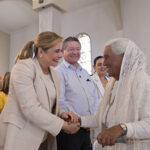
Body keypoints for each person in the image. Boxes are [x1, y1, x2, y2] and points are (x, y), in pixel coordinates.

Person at [0, 31, 80, 150]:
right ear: (41, 51)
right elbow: (30, 108)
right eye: (57, 51)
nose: (61, 55)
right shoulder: (23, 67)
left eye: (61, 51)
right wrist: (63, 125)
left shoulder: (54, 74)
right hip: (21, 135)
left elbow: (50, 104)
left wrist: (63, 113)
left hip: (43, 136)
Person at [80, 38, 150, 150]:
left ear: (124, 57)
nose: (105, 63)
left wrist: (123, 128)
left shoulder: (143, 82)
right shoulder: (113, 84)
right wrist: (80, 121)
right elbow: (101, 118)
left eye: (107, 57)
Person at [56, 36, 99, 150]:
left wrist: (91, 120)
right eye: (71, 49)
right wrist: (73, 120)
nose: (75, 52)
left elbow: (93, 97)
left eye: (78, 49)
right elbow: (60, 100)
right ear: (63, 51)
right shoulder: (59, 72)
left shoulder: (85, 72)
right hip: (70, 128)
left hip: (87, 127)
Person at [90, 56, 109, 144]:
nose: (102, 67)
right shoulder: (90, 81)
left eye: (104, 64)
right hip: (96, 118)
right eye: (99, 64)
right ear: (94, 67)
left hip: (109, 119)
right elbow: (89, 102)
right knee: (97, 143)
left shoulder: (111, 80)